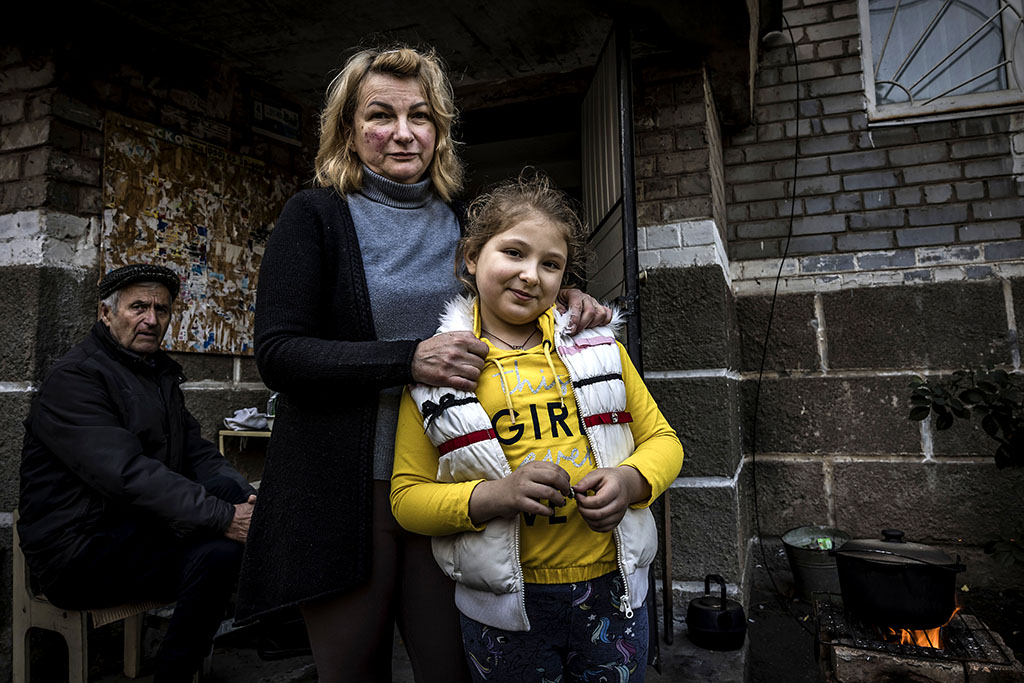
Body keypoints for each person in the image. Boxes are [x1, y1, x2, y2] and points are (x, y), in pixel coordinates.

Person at [234, 45, 610, 683]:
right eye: (381, 115)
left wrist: (560, 297)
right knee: (354, 670)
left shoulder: (461, 224)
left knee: (452, 670)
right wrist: (409, 359)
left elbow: (508, 294)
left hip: (451, 483)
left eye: (422, 117)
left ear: (441, 131)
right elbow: (278, 353)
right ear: (349, 130)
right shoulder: (314, 215)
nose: (403, 134)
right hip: (346, 492)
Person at [390, 173, 684, 682]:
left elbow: (663, 440)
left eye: (551, 264)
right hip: (504, 608)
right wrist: (495, 496)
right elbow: (407, 498)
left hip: (612, 588)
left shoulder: (600, 350)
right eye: (513, 253)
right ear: (470, 258)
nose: (531, 275)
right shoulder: (440, 372)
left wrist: (630, 482)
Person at [18, 263, 258, 683]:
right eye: (138, 307)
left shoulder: (155, 374)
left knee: (231, 502)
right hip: (77, 548)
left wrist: (246, 506)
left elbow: (197, 453)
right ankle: (177, 673)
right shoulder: (76, 378)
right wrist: (224, 518)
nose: (152, 319)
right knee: (220, 552)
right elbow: (126, 474)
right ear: (106, 314)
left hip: (132, 527)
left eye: (161, 310)